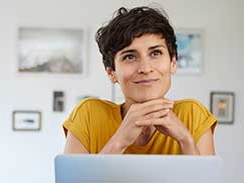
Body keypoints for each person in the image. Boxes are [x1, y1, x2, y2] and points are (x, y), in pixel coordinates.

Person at [62, 6, 217, 155]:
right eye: (130, 56)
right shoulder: (89, 116)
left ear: (173, 63)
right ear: (111, 72)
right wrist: (119, 141)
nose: (145, 68)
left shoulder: (192, 115)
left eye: (156, 53)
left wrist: (186, 140)